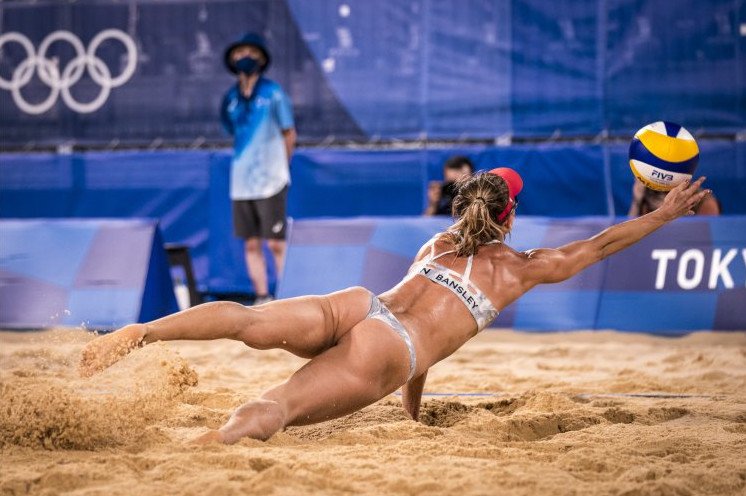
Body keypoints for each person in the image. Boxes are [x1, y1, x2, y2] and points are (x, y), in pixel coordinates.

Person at [79, 169, 710, 445]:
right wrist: (662, 215)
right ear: (510, 216)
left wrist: (411, 406)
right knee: (279, 406)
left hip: (360, 306)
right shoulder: (516, 269)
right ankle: (204, 447)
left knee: (249, 320)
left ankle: (141, 331)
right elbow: (599, 246)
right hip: (390, 348)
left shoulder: (438, 242)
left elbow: (414, 331)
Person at [221, 32, 297, 304]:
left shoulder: (274, 93)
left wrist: (281, 167)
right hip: (242, 183)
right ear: (232, 59)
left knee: (276, 242)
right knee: (251, 243)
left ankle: (289, 299)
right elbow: (232, 130)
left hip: (271, 180)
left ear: (262, 59)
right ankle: (262, 298)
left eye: (252, 53)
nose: (246, 58)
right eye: (240, 53)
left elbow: (289, 133)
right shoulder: (230, 98)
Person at [628, 178, 720, 216]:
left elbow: (712, 232)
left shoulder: (702, 200)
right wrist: (638, 199)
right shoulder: (643, 192)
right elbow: (632, 231)